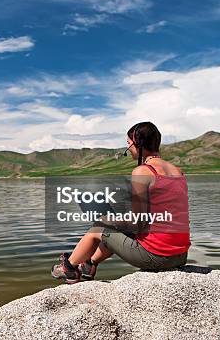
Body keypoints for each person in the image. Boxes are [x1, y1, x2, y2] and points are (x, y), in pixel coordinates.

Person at [51, 121, 190, 284]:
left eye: (128, 144)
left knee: (97, 229)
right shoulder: (177, 171)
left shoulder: (142, 171)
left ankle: (69, 268)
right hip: (180, 256)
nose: (128, 148)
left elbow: (137, 223)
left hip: (158, 257)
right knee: (114, 229)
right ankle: (89, 264)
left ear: (138, 143)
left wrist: (106, 219)